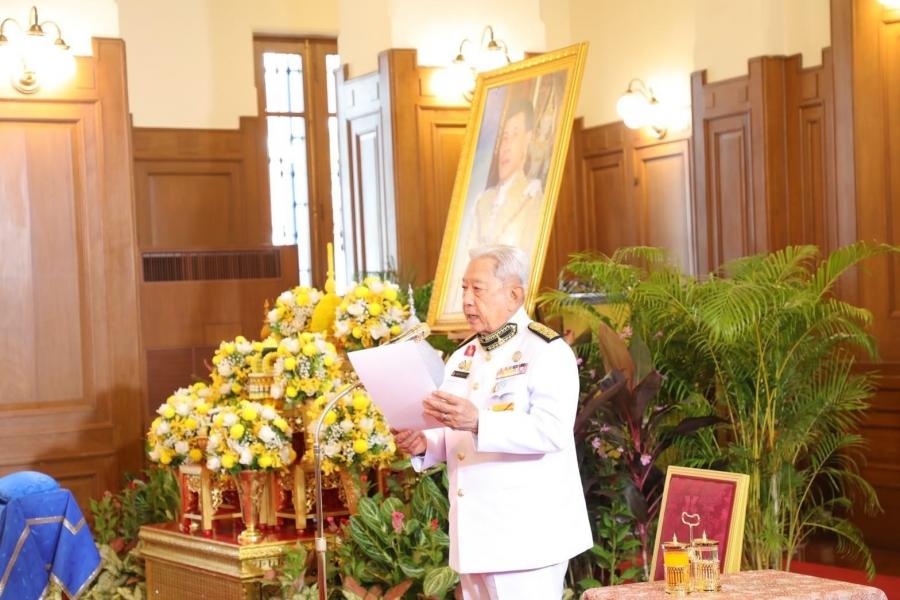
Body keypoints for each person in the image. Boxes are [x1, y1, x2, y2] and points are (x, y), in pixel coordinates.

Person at [393, 245, 591, 600]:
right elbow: (455, 431)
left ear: (514, 294)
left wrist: (478, 422)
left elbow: (551, 432)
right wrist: (426, 443)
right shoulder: (463, 356)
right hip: (474, 536)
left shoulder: (546, 351)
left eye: (478, 289)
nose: (467, 300)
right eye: (464, 289)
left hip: (525, 539)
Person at [467, 99, 544, 255]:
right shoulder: (482, 201)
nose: (506, 147)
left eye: (514, 135)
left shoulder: (533, 198)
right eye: (505, 137)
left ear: (527, 139)